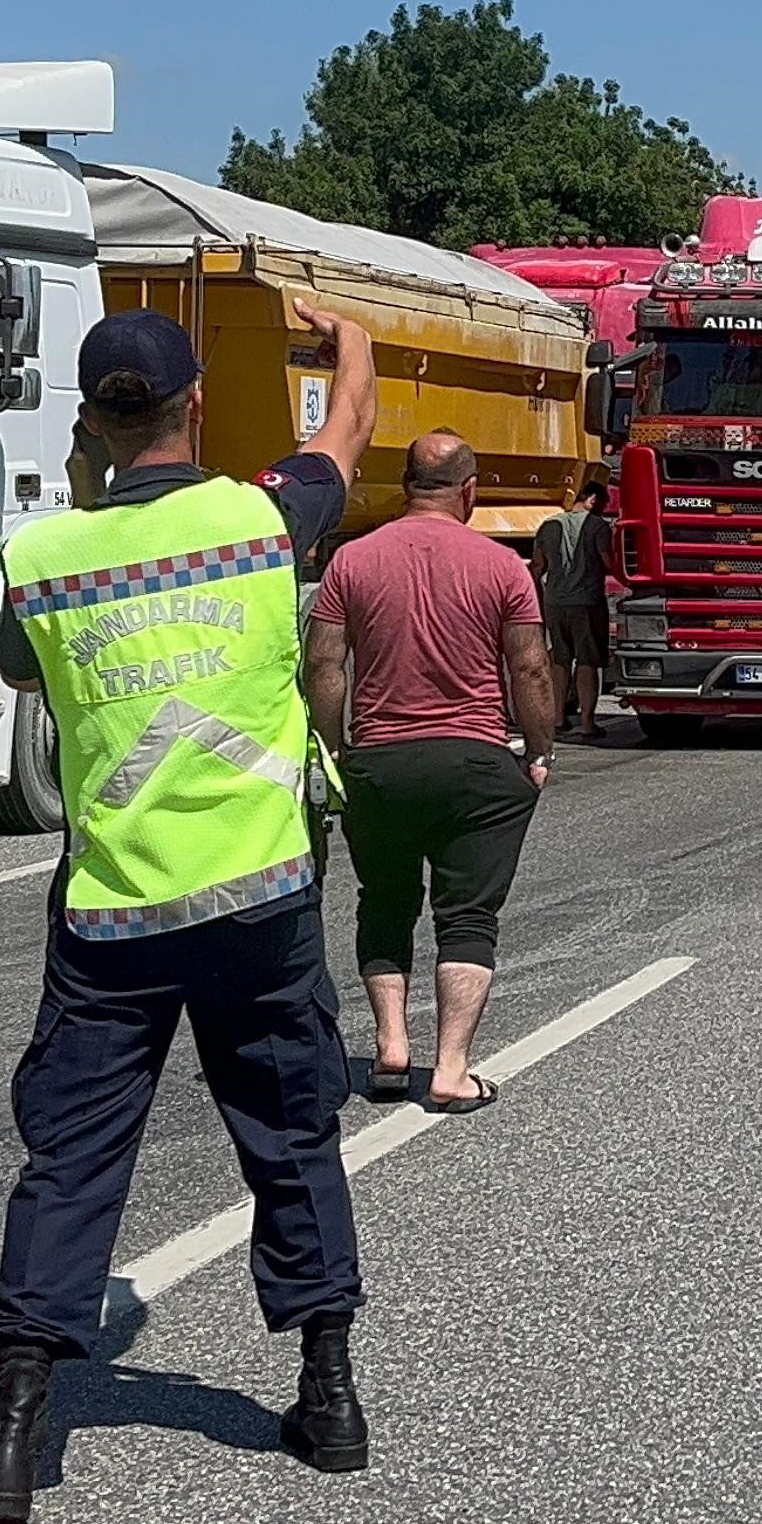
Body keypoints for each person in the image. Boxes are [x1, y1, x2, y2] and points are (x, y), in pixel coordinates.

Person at [0, 302, 381, 1524]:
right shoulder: (264, 518)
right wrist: (343, 337)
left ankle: (13, 1432)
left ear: (92, 418)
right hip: (260, 896)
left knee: (76, 1154)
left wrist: (88, 492)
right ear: (197, 402)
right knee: (290, 1132)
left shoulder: (44, 557)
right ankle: (329, 1391)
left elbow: (23, 670)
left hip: (115, 915)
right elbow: (351, 424)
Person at [305, 433, 553, 1114]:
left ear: (406, 485)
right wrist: (539, 752)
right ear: (468, 491)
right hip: (472, 760)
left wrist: (333, 757)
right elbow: (528, 667)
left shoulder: (351, 561)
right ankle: (450, 1069)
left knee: (384, 902)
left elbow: (325, 666)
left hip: (379, 762)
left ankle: (389, 1048)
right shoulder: (501, 566)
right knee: (467, 914)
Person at [531, 473, 614, 742]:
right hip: (587, 602)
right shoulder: (598, 527)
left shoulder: (548, 525)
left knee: (559, 659)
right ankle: (588, 723)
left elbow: (538, 566)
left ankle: (557, 718)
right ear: (592, 499)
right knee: (588, 661)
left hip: (554, 601)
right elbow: (608, 562)